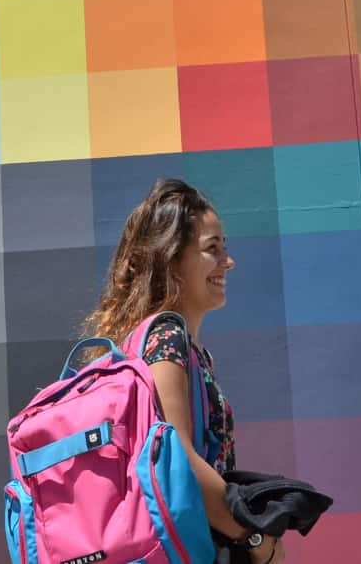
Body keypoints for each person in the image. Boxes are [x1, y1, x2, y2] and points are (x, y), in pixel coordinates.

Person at [80, 178, 281, 564]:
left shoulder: (152, 343)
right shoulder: (167, 338)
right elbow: (181, 461)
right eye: (213, 249)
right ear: (172, 259)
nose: (228, 261)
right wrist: (257, 540)